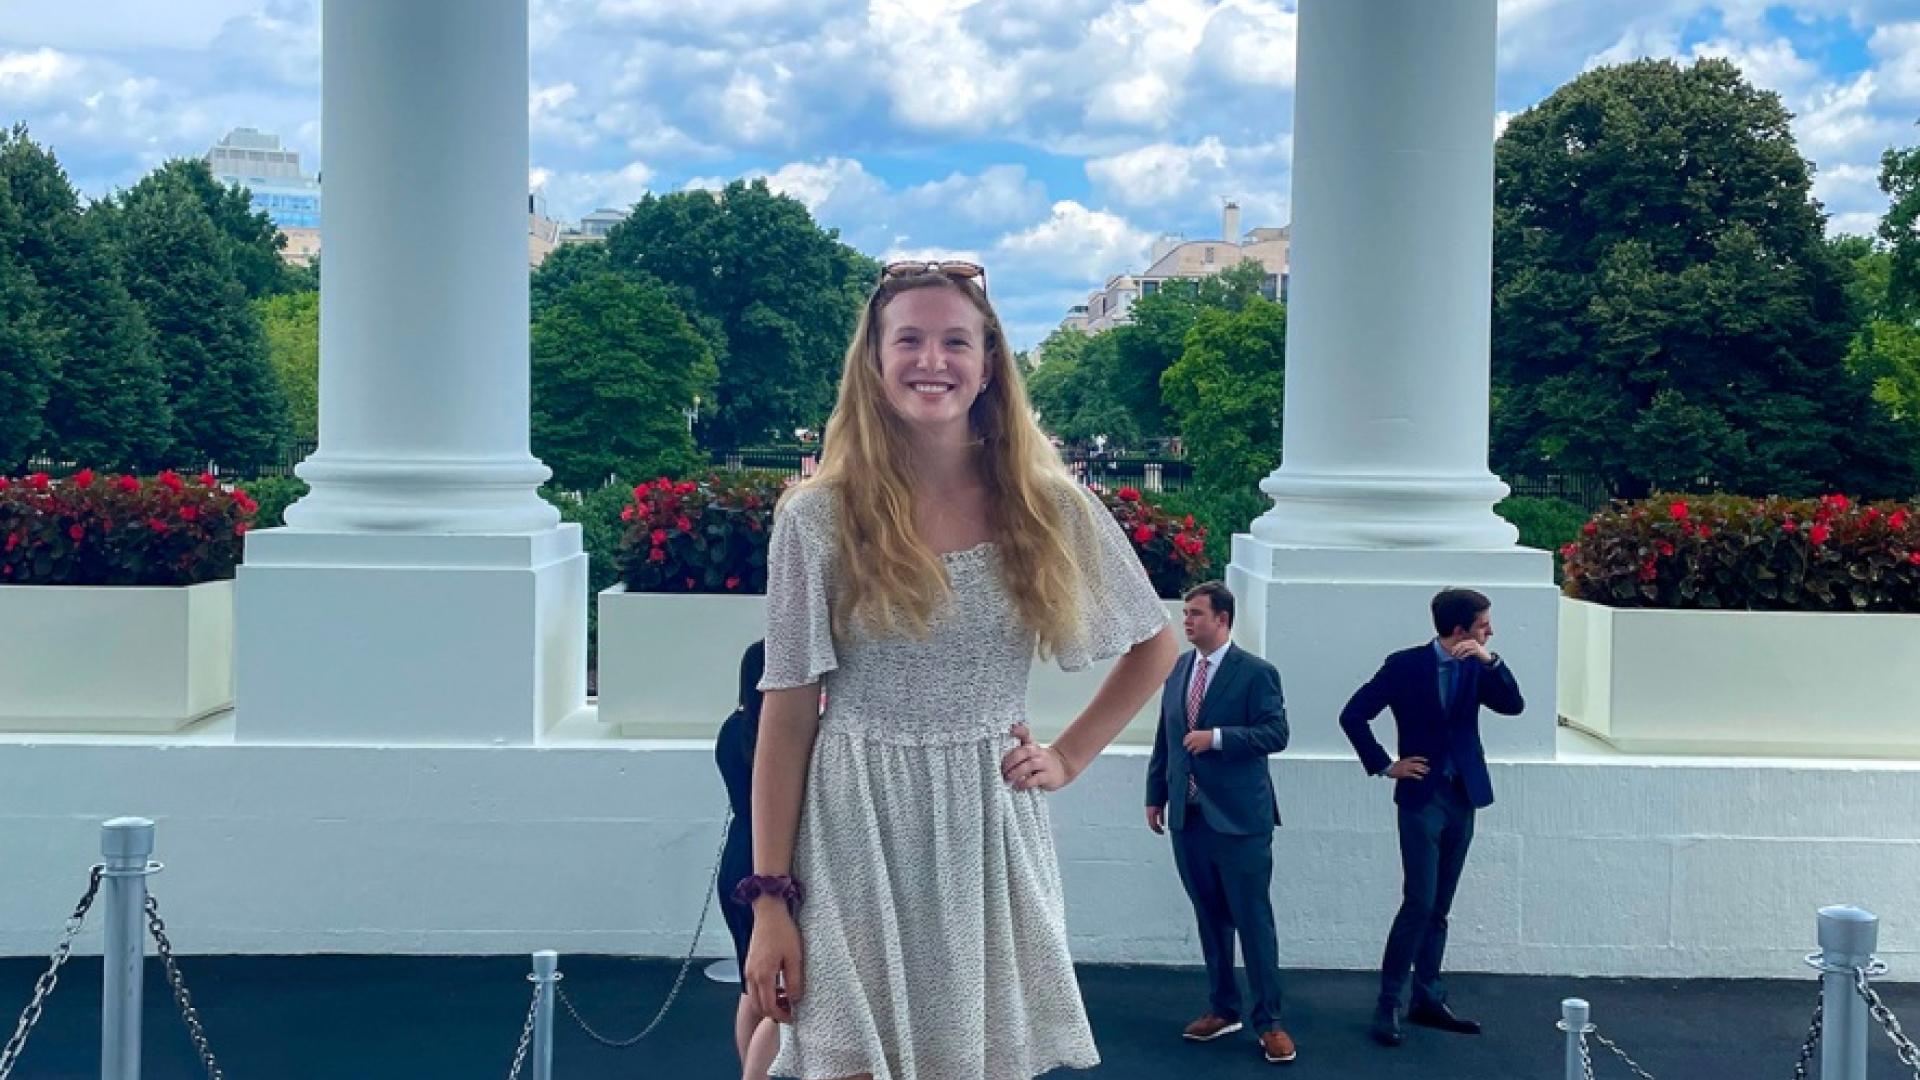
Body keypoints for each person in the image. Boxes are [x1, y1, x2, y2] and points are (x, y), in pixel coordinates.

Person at [741, 259, 1179, 1080]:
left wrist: (1068, 756)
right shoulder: (817, 517)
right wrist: (770, 901)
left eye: (955, 342)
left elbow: (1155, 644)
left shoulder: (1047, 504)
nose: (931, 361)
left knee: (971, 1060)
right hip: (850, 825)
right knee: (840, 1058)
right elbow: (788, 713)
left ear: (988, 364)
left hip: (987, 823)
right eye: (908, 340)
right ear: (875, 360)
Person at [1338, 588, 1526, 1049]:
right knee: (1418, 902)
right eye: (1483, 624)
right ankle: (1389, 1002)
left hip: (1463, 795)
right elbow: (1353, 715)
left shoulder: (1477, 665)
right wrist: (1386, 765)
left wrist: (1491, 661)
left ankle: (1428, 996)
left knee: (1440, 906)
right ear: (1459, 628)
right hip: (1422, 798)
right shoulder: (1405, 665)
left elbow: (1513, 705)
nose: (1491, 631)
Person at [1145, 581, 1295, 1065]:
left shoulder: (1256, 673)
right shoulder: (1179, 669)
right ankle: (1223, 1007)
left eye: (1195, 613)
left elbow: (1276, 733)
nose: (1186, 620)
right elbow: (1167, 737)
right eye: (1185, 612)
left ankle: (1270, 1022)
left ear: (1222, 620)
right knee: (1209, 916)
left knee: (1252, 920)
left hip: (1240, 821)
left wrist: (1218, 738)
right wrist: (1155, 795)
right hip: (1189, 818)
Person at [716, 640, 778, 1080]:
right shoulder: (776, 739)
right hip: (769, 864)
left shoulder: (731, 730)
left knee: (750, 985)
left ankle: (746, 1069)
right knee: (779, 1001)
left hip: (737, 856)